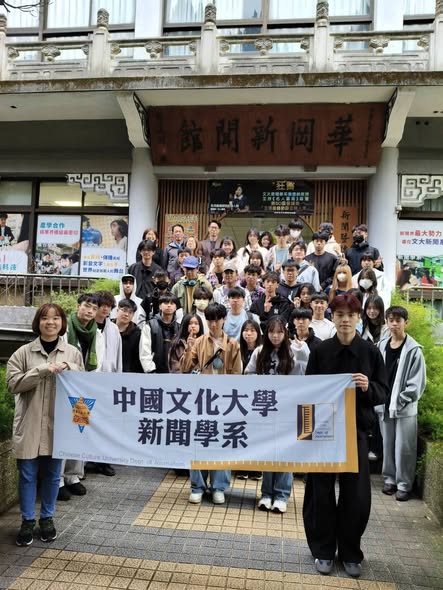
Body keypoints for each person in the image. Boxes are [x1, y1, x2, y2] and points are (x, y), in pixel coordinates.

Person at [303, 293, 388, 578]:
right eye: (339, 315)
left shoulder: (370, 352)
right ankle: (323, 550)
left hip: (356, 431)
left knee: (356, 495)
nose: (345, 320)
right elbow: (307, 393)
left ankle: (351, 552)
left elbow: (383, 392)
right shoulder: (321, 351)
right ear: (333, 317)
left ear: (359, 318)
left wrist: (368, 387)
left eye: (351, 315)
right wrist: (306, 434)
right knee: (321, 492)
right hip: (324, 433)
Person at [6, 304, 84, 546]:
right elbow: (13, 384)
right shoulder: (23, 353)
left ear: (62, 323)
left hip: (58, 425)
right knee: (27, 475)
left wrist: (70, 369)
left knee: (52, 475)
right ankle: (27, 521)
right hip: (29, 424)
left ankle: (47, 519)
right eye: (45, 318)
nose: (50, 322)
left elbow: (84, 387)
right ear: (37, 323)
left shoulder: (72, 353)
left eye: (56, 318)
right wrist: (41, 370)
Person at [180, 303, 241, 505]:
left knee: (221, 443)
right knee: (199, 441)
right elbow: (185, 369)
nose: (213, 324)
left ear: (224, 320)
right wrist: (188, 350)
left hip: (224, 401)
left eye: (217, 320)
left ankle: (218, 487)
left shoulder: (232, 344)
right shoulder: (198, 342)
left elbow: (237, 374)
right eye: (210, 320)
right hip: (201, 400)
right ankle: (197, 486)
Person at [245, 317, 307, 513]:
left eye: (279, 332)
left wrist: (303, 351)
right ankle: (266, 494)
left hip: (287, 410)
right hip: (266, 410)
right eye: (272, 332)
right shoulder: (259, 352)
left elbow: (305, 375)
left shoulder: (294, 352)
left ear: (285, 333)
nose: (275, 336)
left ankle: (281, 495)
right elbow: (248, 374)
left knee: (285, 452)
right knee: (268, 451)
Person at [376, 306, 426, 502]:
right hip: (385, 404)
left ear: (406, 322)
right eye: (391, 320)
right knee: (387, 444)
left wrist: (402, 399)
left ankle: (404, 484)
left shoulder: (414, 350)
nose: (394, 324)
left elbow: (417, 383)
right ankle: (390, 479)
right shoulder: (381, 345)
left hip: (404, 407)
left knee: (405, 447)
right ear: (386, 322)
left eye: (398, 320)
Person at [58, 293, 99, 501]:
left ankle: (73, 476)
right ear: (78, 306)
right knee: (63, 433)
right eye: (87, 306)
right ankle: (57, 480)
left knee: (80, 430)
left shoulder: (95, 332)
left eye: (94, 308)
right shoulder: (65, 329)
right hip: (65, 388)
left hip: (86, 388)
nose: (90, 311)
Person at [236, 319, 263, 481]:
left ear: (258, 333)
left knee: (257, 433)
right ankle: (242, 466)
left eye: (252, 330)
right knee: (241, 431)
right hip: (239, 398)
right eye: (246, 330)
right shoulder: (236, 349)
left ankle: (256, 467)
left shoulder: (263, 351)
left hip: (257, 398)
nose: (248, 333)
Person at [139, 294, 179, 374]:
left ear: (176, 307)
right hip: (154, 373)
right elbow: (145, 352)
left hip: (175, 373)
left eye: (172, 303)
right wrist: (151, 371)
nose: (169, 306)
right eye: (166, 303)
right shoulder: (150, 325)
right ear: (160, 306)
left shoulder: (179, 327)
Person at [113, 299, 144, 373]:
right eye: (124, 310)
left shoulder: (137, 334)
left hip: (128, 373)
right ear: (117, 310)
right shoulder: (108, 328)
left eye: (130, 312)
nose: (126, 314)